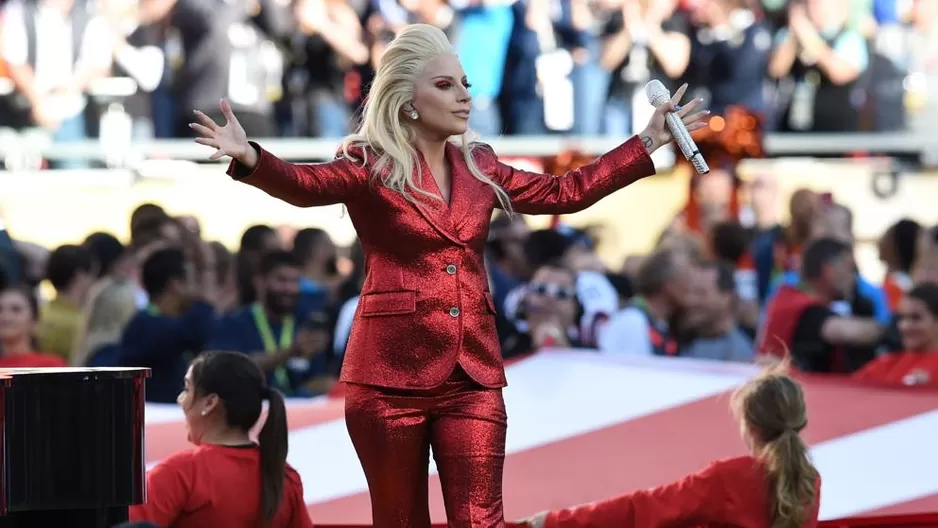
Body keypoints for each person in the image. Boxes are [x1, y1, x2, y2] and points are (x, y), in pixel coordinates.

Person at [190, 23, 708, 527]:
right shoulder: (369, 163)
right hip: (387, 377)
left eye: (465, 85)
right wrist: (251, 157)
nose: (463, 96)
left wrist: (646, 143)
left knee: (482, 520)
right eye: (445, 85)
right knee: (399, 521)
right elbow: (306, 184)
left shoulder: (479, 164)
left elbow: (563, 192)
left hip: (473, 373)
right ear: (406, 99)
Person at [524, 362, 820, 528]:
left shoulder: (729, 478)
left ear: (750, 426)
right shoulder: (810, 482)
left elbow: (642, 509)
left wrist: (554, 522)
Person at [129, 351, 313, 528]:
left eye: (187, 389)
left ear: (210, 403)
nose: (180, 399)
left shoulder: (182, 473)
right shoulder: (284, 476)